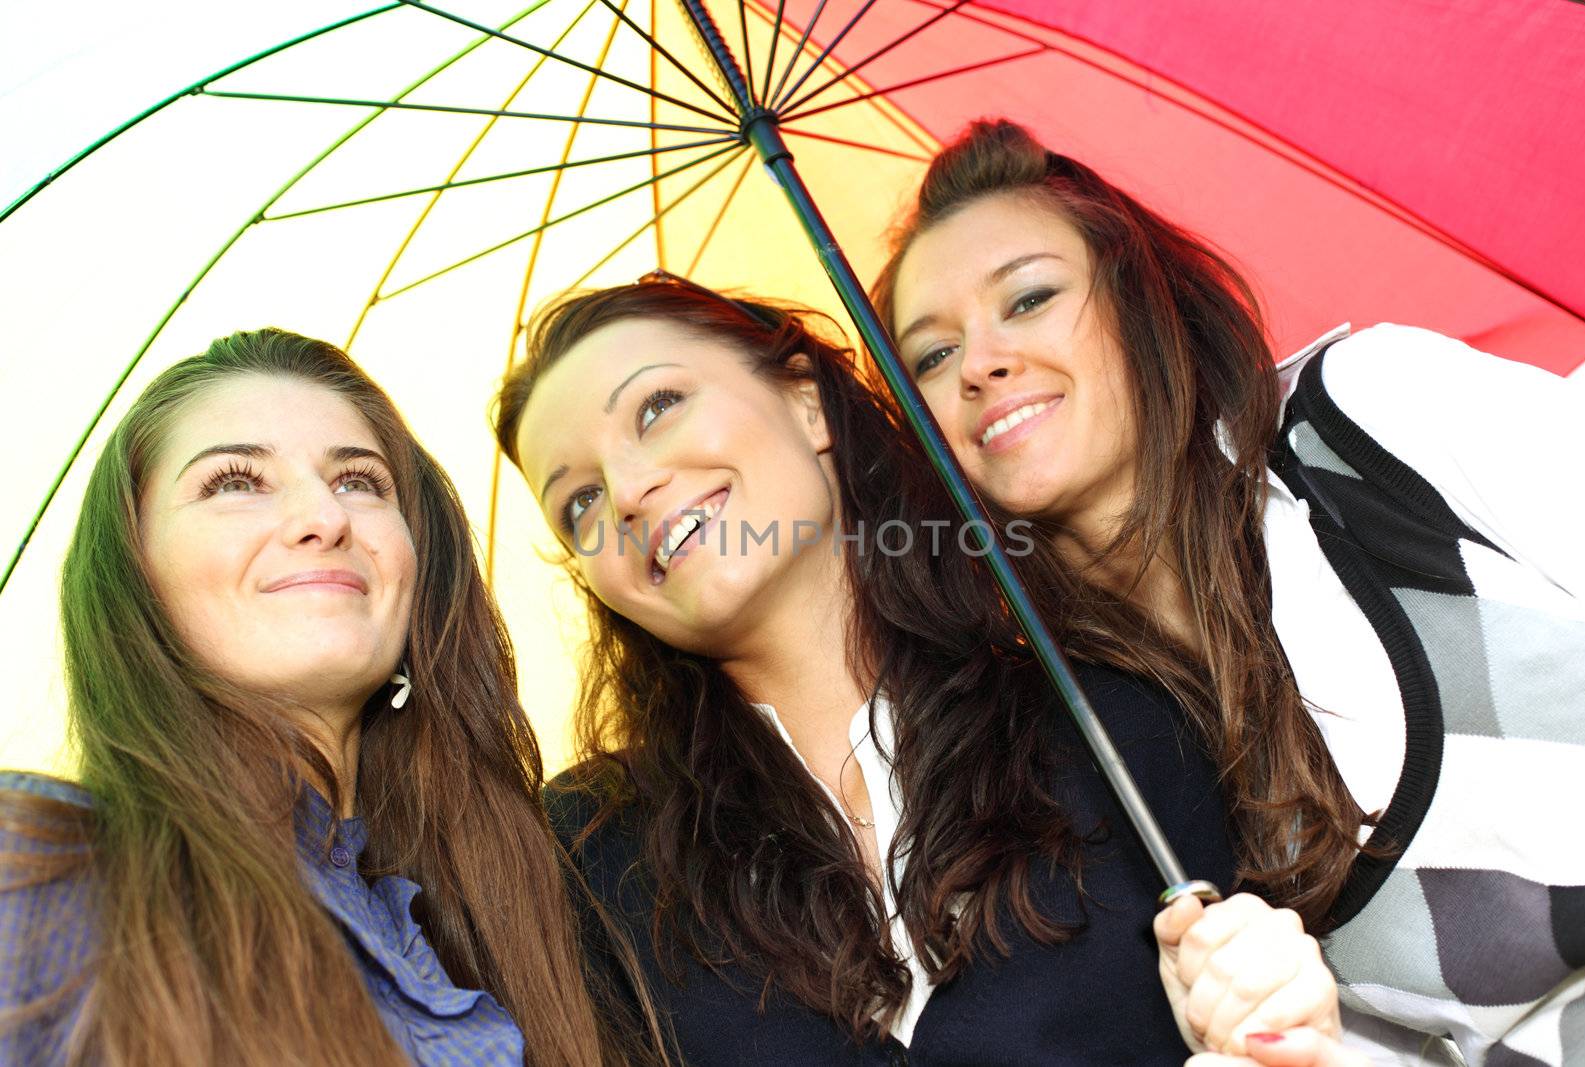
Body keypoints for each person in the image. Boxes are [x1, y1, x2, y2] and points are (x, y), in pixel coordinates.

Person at [873, 119, 1585, 1066]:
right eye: (931, 356)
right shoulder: (1095, 762)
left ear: (1143, 297)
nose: (979, 364)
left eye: (1030, 298)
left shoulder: (1366, 429)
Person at [492, 277, 1348, 1065]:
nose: (629, 488)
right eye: (580, 502)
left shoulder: (1116, 723)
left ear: (805, 402)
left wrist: (1271, 1036)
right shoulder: (589, 862)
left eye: (657, 407)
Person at [0, 329, 630, 1066]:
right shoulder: (39, 874)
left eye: (360, 482)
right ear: (136, 572)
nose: (325, 519)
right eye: (235, 482)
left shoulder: (509, 926)